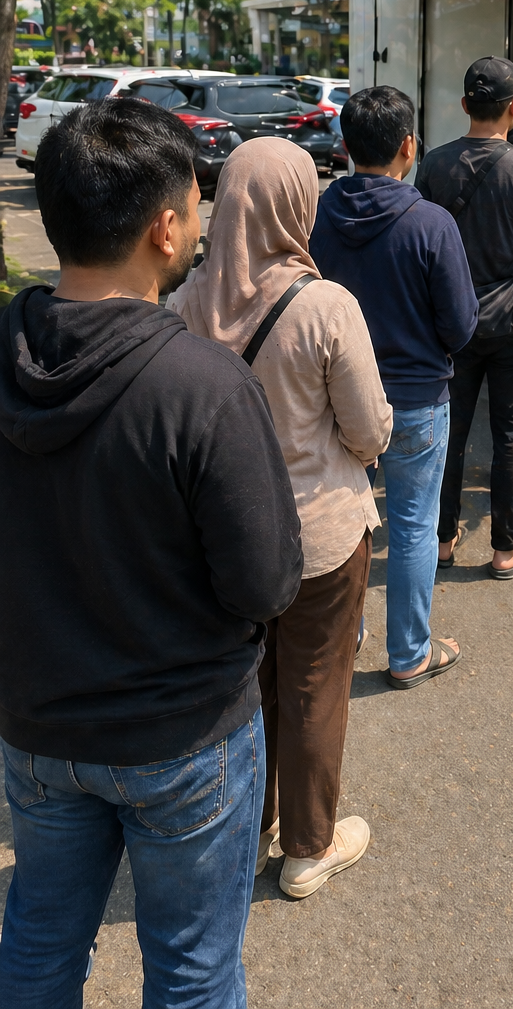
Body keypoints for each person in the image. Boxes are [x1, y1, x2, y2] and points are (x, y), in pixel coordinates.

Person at [0, 99, 302, 1004]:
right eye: (196, 208)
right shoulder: (203, 386)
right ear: (164, 229)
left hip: (36, 723)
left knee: (39, 941)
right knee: (193, 970)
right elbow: (265, 582)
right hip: (182, 733)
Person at [170, 139, 392, 900]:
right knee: (315, 688)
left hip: (223, 539)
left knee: (248, 688)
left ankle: (253, 820)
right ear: (299, 205)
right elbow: (368, 430)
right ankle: (307, 848)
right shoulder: (326, 306)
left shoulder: (184, 304)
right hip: (321, 536)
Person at [310, 86, 478, 689]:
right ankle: (409, 654)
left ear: (346, 145)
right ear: (409, 146)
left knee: (350, 524)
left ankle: (342, 639)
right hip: (416, 400)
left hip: (339, 399)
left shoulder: (318, 216)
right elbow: (460, 326)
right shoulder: (431, 224)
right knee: (411, 527)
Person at [415, 57, 513, 580]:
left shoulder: (434, 165)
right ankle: (506, 549)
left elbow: (423, 248)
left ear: (465, 105)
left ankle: (441, 540)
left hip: (449, 324)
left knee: (448, 433)